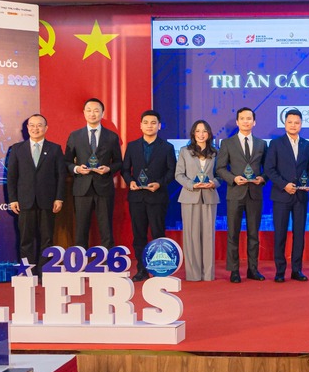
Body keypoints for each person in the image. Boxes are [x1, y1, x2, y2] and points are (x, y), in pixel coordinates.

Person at [7, 114, 66, 274]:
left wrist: (59, 198)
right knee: (26, 239)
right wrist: (13, 199)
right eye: (32, 125)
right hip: (24, 201)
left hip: (48, 201)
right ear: (27, 128)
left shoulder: (55, 149)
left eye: (39, 125)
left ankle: (44, 271)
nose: (35, 128)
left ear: (46, 128)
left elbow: (61, 176)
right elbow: (11, 176)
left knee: (47, 238)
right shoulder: (17, 149)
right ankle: (28, 272)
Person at [121, 110, 176, 281]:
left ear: (159, 126)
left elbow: (172, 171)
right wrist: (130, 181)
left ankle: (160, 269)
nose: (149, 126)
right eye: (146, 122)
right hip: (137, 197)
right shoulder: (132, 146)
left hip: (157, 197)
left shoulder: (167, 147)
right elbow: (125, 169)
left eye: (153, 123)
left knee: (158, 233)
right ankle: (141, 269)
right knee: (139, 235)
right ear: (140, 125)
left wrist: (159, 183)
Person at [215, 107, 268, 283]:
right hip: (235, 193)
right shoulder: (227, 143)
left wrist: (262, 178)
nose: (246, 121)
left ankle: (253, 269)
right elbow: (220, 168)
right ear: (237, 122)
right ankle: (234, 270)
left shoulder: (261, 144)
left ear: (254, 122)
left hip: (254, 193)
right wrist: (233, 178)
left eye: (249, 118)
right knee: (233, 234)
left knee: (253, 234)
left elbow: (268, 169)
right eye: (242, 118)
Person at [264, 109, 309, 282]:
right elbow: (269, 169)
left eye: (297, 122)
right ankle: (280, 271)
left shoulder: (307, 145)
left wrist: (308, 183)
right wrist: (284, 185)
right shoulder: (276, 144)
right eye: (290, 122)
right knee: (280, 234)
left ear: (301, 124)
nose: (293, 125)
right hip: (281, 195)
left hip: (301, 197)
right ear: (285, 124)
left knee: (299, 234)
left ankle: (297, 270)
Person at [64, 98, 122, 250]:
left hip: (104, 186)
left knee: (106, 227)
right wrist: (77, 169)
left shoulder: (112, 137)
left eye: (96, 110)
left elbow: (118, 162)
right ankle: (80, 258)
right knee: (81, 228)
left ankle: (108, 259)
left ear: (102, 113)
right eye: (89, 110)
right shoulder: (75, 136)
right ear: (84, 113)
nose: (92, 114)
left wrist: (108, 169)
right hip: (82, 187)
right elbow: (66, 162)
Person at [175, 120, 220, 281]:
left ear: (209, 134)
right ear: (193, 133)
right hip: (189, 196)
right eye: (198, 131)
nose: (201, 134)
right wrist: (192, 185)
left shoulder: (215, 152)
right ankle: (193, 274)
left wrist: (214, 183)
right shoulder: (184, 151)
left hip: (209, 196)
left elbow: (220, 174)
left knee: (208, 236)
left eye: (204, 131)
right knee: (191, 236)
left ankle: (208, 274)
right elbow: (179, 174)